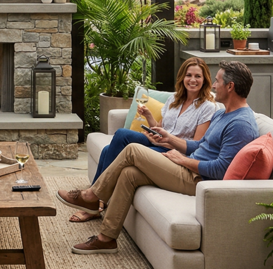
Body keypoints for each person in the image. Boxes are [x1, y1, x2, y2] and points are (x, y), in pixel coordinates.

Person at [57, 61, 258, 254]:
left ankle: (92, 197)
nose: (213, 85)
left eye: (217, 81)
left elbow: (221, 170)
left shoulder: (241, 124)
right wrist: (170, 139)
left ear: (230, 86)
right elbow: (199, 145)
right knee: (129, 174)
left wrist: (183, 160)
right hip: (187, 168)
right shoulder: (222, 114)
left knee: (133, 150)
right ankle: (106, 239)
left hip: (198, 180)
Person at [69, 57, 216, 222]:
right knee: (113, 143)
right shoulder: (174, 99)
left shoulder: (207, 107)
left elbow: (195, 146)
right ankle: (94, 200)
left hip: (174, 152)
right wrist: (149, 118)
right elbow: (160, 127)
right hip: (158, 142)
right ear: (182, 77)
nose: (193, 80)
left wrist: (167, 141)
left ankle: (94, 200)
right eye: (189, 75)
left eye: (198, 76)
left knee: (113, 145)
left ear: (205, 79)